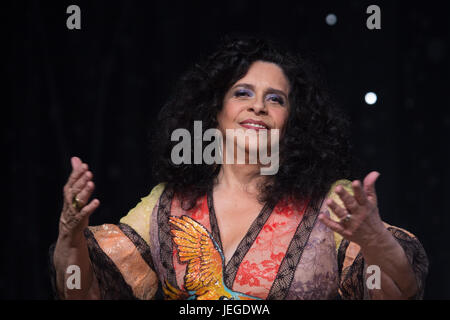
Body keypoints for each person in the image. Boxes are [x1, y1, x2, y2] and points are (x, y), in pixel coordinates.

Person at [49, 37, 428, 300]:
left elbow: (399, 291)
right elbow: (83, 290)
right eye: (242, 93)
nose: (258, 106)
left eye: (275, 99)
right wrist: (70, 236)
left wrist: (376, 240)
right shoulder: (165, 204)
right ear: (214, 112)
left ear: (293, 123)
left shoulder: (332, 201)